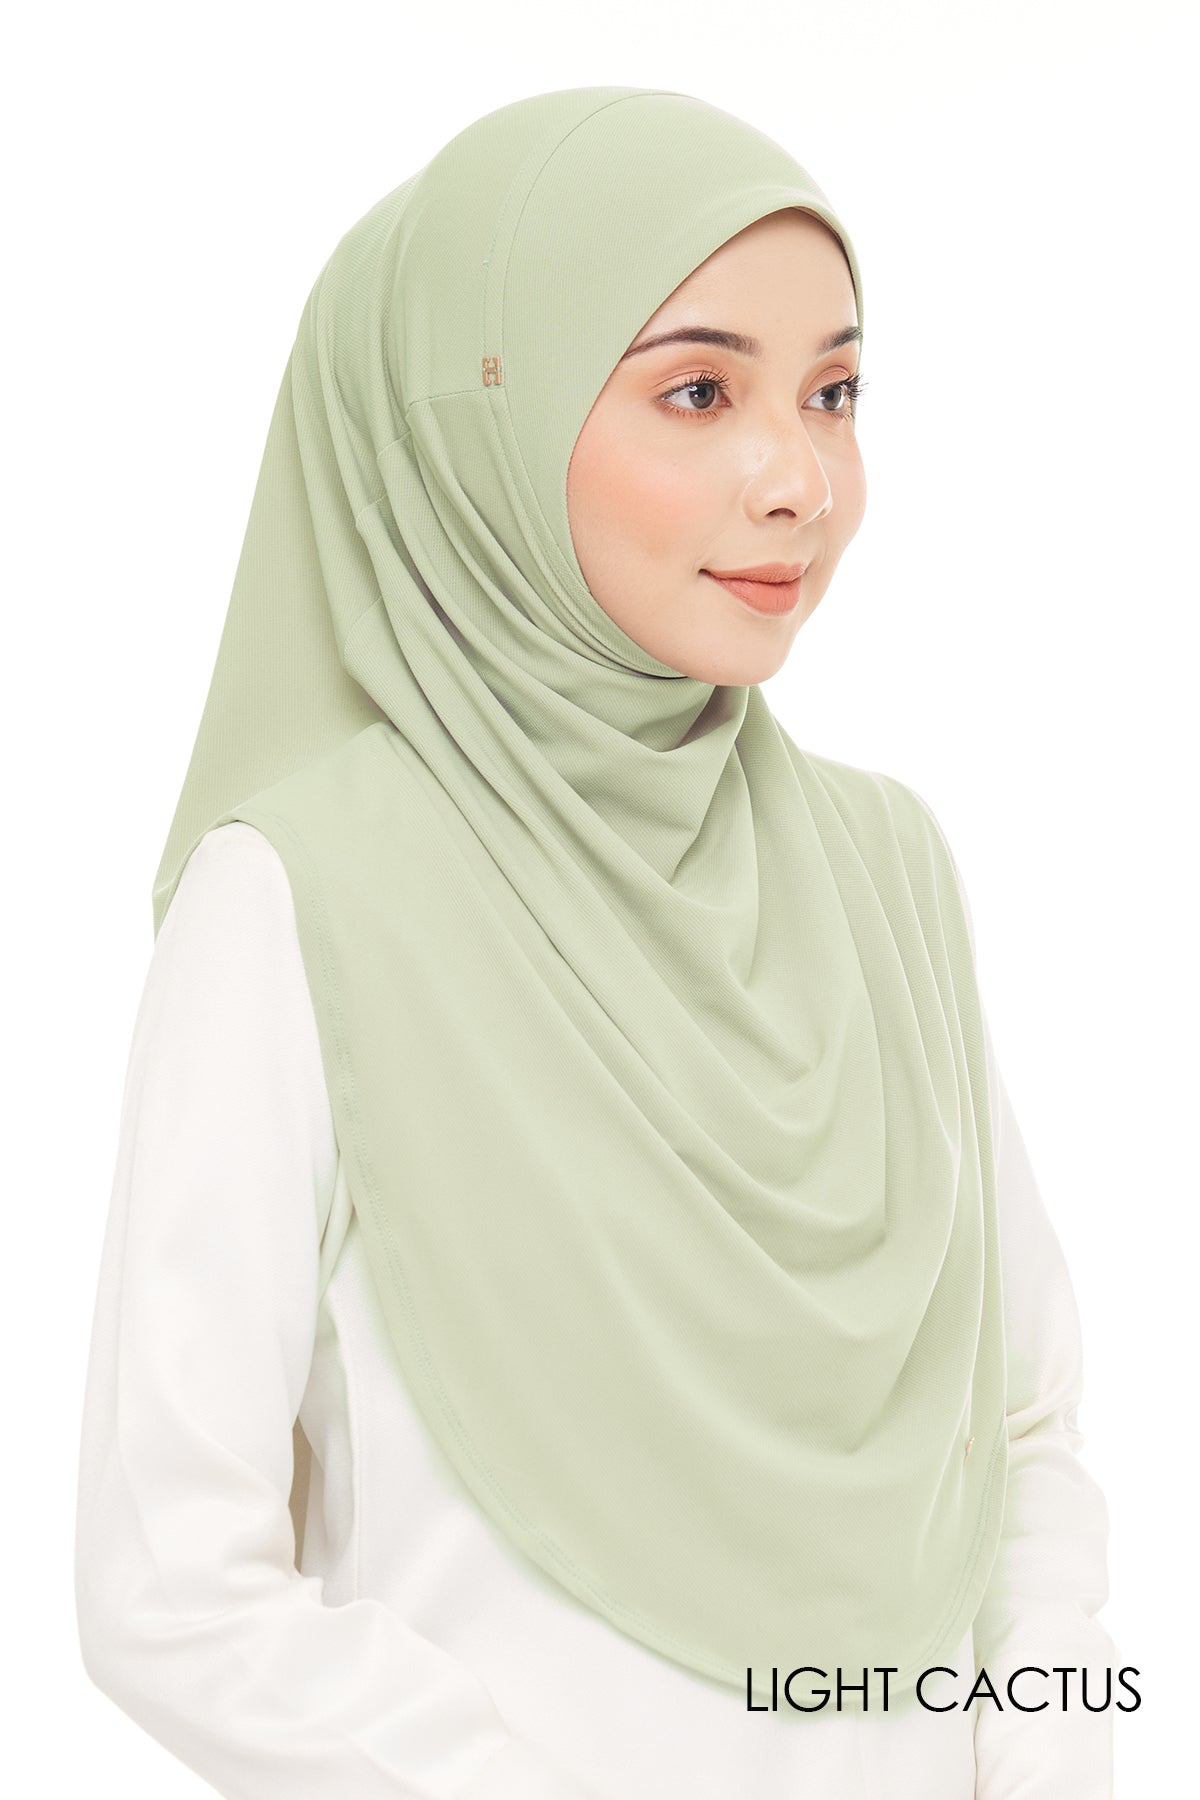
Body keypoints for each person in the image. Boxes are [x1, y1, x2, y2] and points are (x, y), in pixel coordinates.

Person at [73, 86, 1118, 1798]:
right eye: (699, 391)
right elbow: (171, 1587)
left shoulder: (886, 872)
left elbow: (1020, 1431)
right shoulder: (302, 902)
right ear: (474, 422)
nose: (801, 483)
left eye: (835, 393)